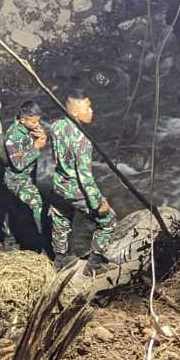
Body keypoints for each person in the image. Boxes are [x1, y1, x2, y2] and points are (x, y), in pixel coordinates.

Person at [48, 89, 116, 274]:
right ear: (74, 112)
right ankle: (94, 265)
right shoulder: (82, 139)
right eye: (87, 107)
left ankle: (60, 261)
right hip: (75, 189)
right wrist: (98, 202)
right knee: (108, 221)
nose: (91, 111)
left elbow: (57, 156)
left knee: (61, 220)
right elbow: (85, 176)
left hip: (59, 185)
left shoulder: (55, 126)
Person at [3, 100, 48, 245]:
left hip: (29, 175)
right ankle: (41, 238)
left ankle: (12, 234)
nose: (37, 124)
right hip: (16, 179)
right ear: (22, 120)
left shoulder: (30, 125)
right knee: (36, 203)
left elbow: (38, 137)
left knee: (16, 207)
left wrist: (42, 136)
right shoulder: (12, 137)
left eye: (38, 121)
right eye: (34, 122)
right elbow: (18, 165)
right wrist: (36, 147)